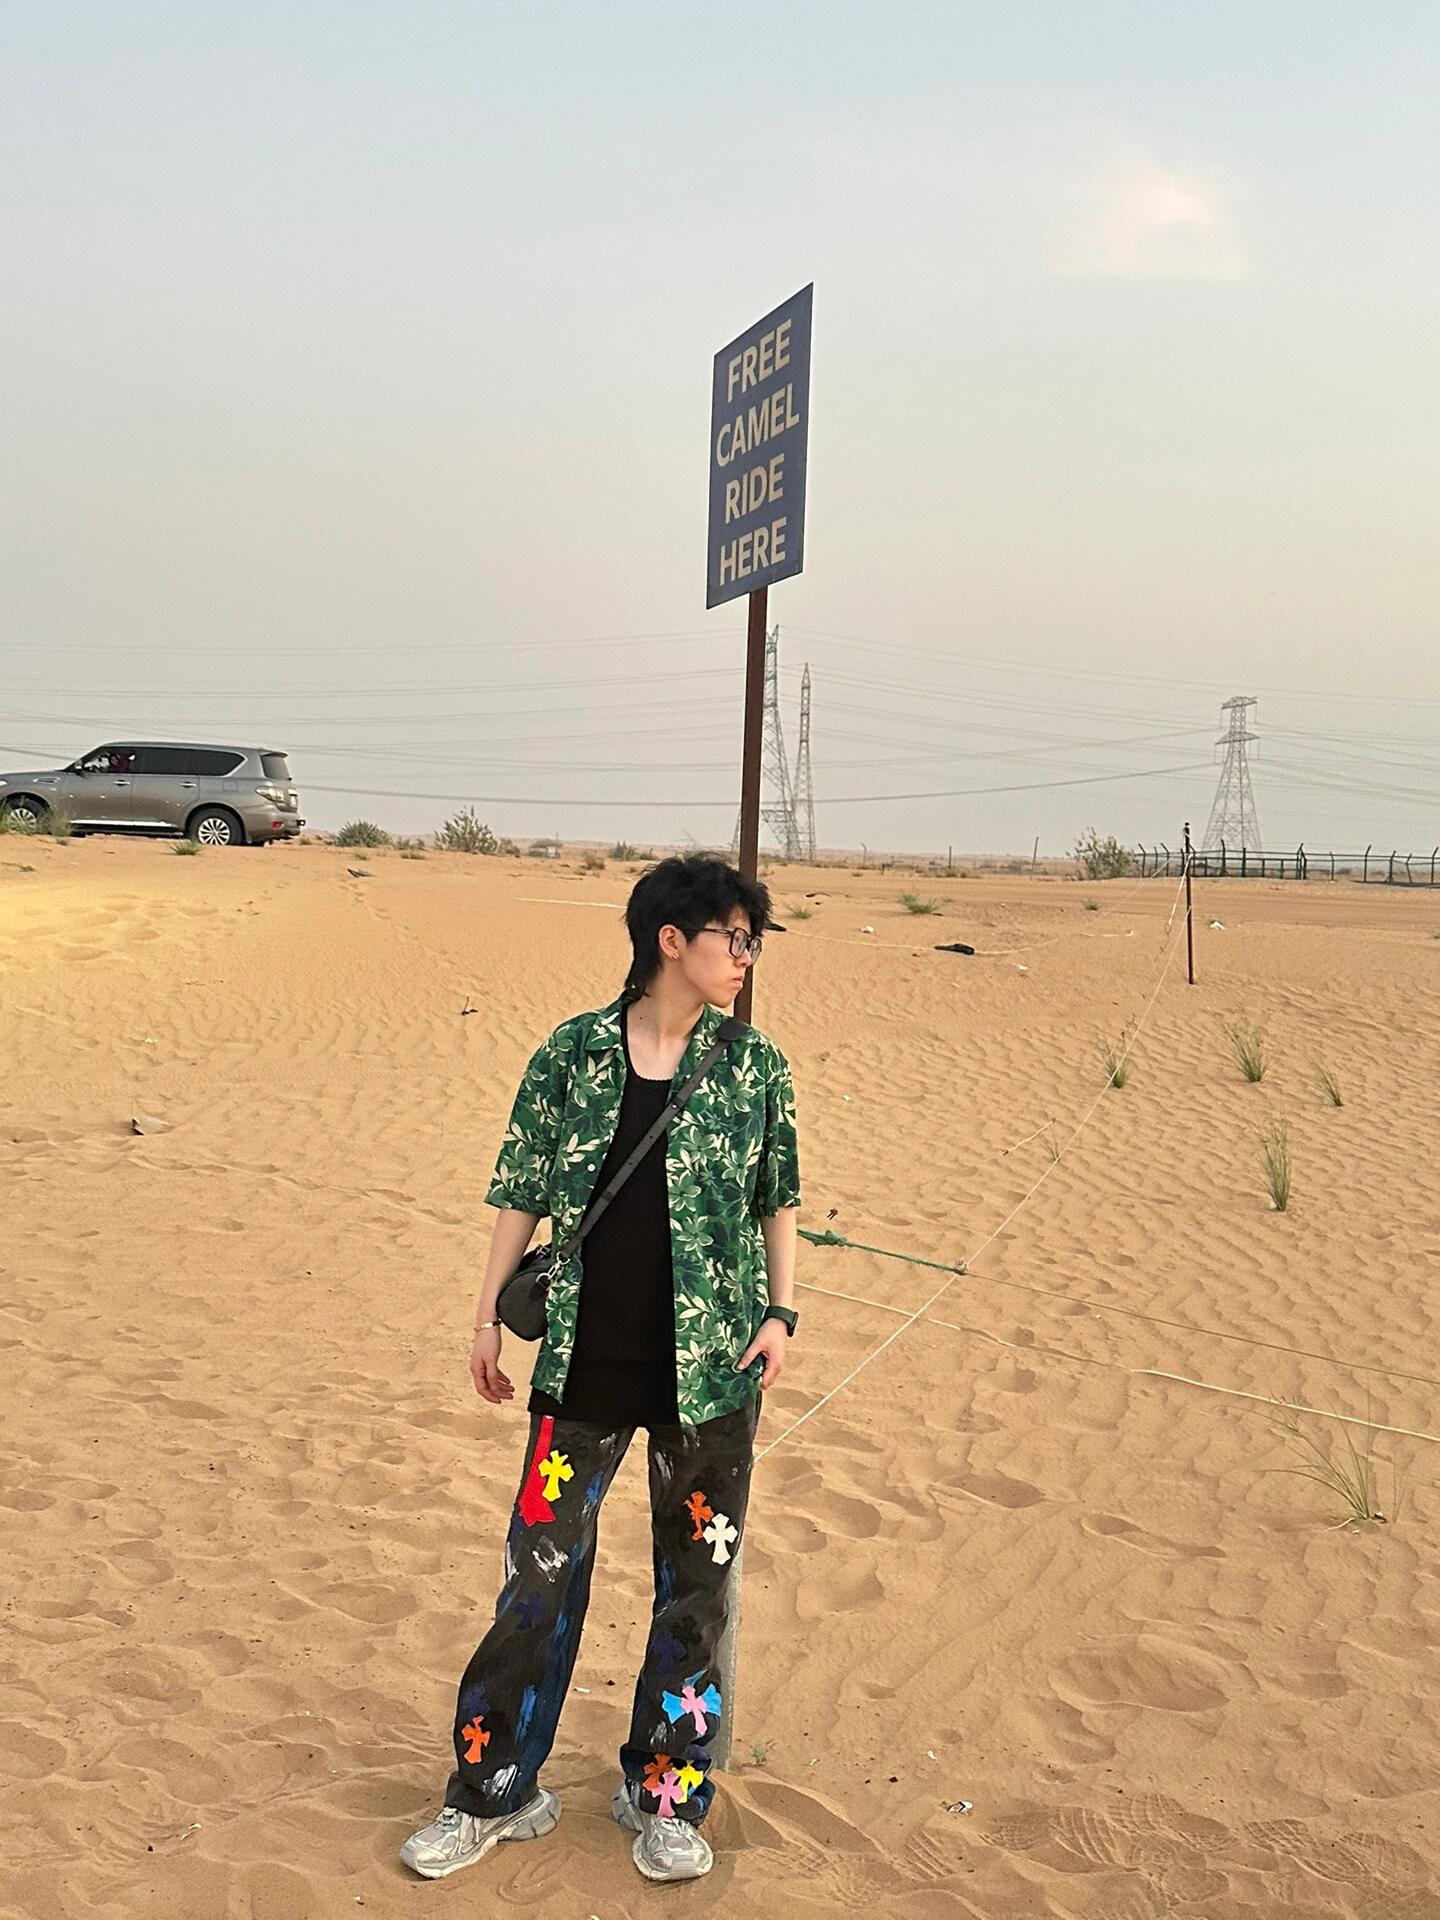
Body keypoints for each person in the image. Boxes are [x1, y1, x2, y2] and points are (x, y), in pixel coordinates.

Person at [400, 854, 801, 1886]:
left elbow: (778, 1197)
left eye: (752, 942)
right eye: (733, 938)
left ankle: (666, 1796)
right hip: (580, 1366)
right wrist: (486, 1318)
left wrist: (780, 1314)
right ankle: (490, 1789)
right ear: (672, 940)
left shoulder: (754, 1066)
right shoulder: (572, 1054)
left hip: (711, 1375)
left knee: (696, 1592)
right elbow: (519, 1192)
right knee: (536, 1578)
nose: (745, 958)